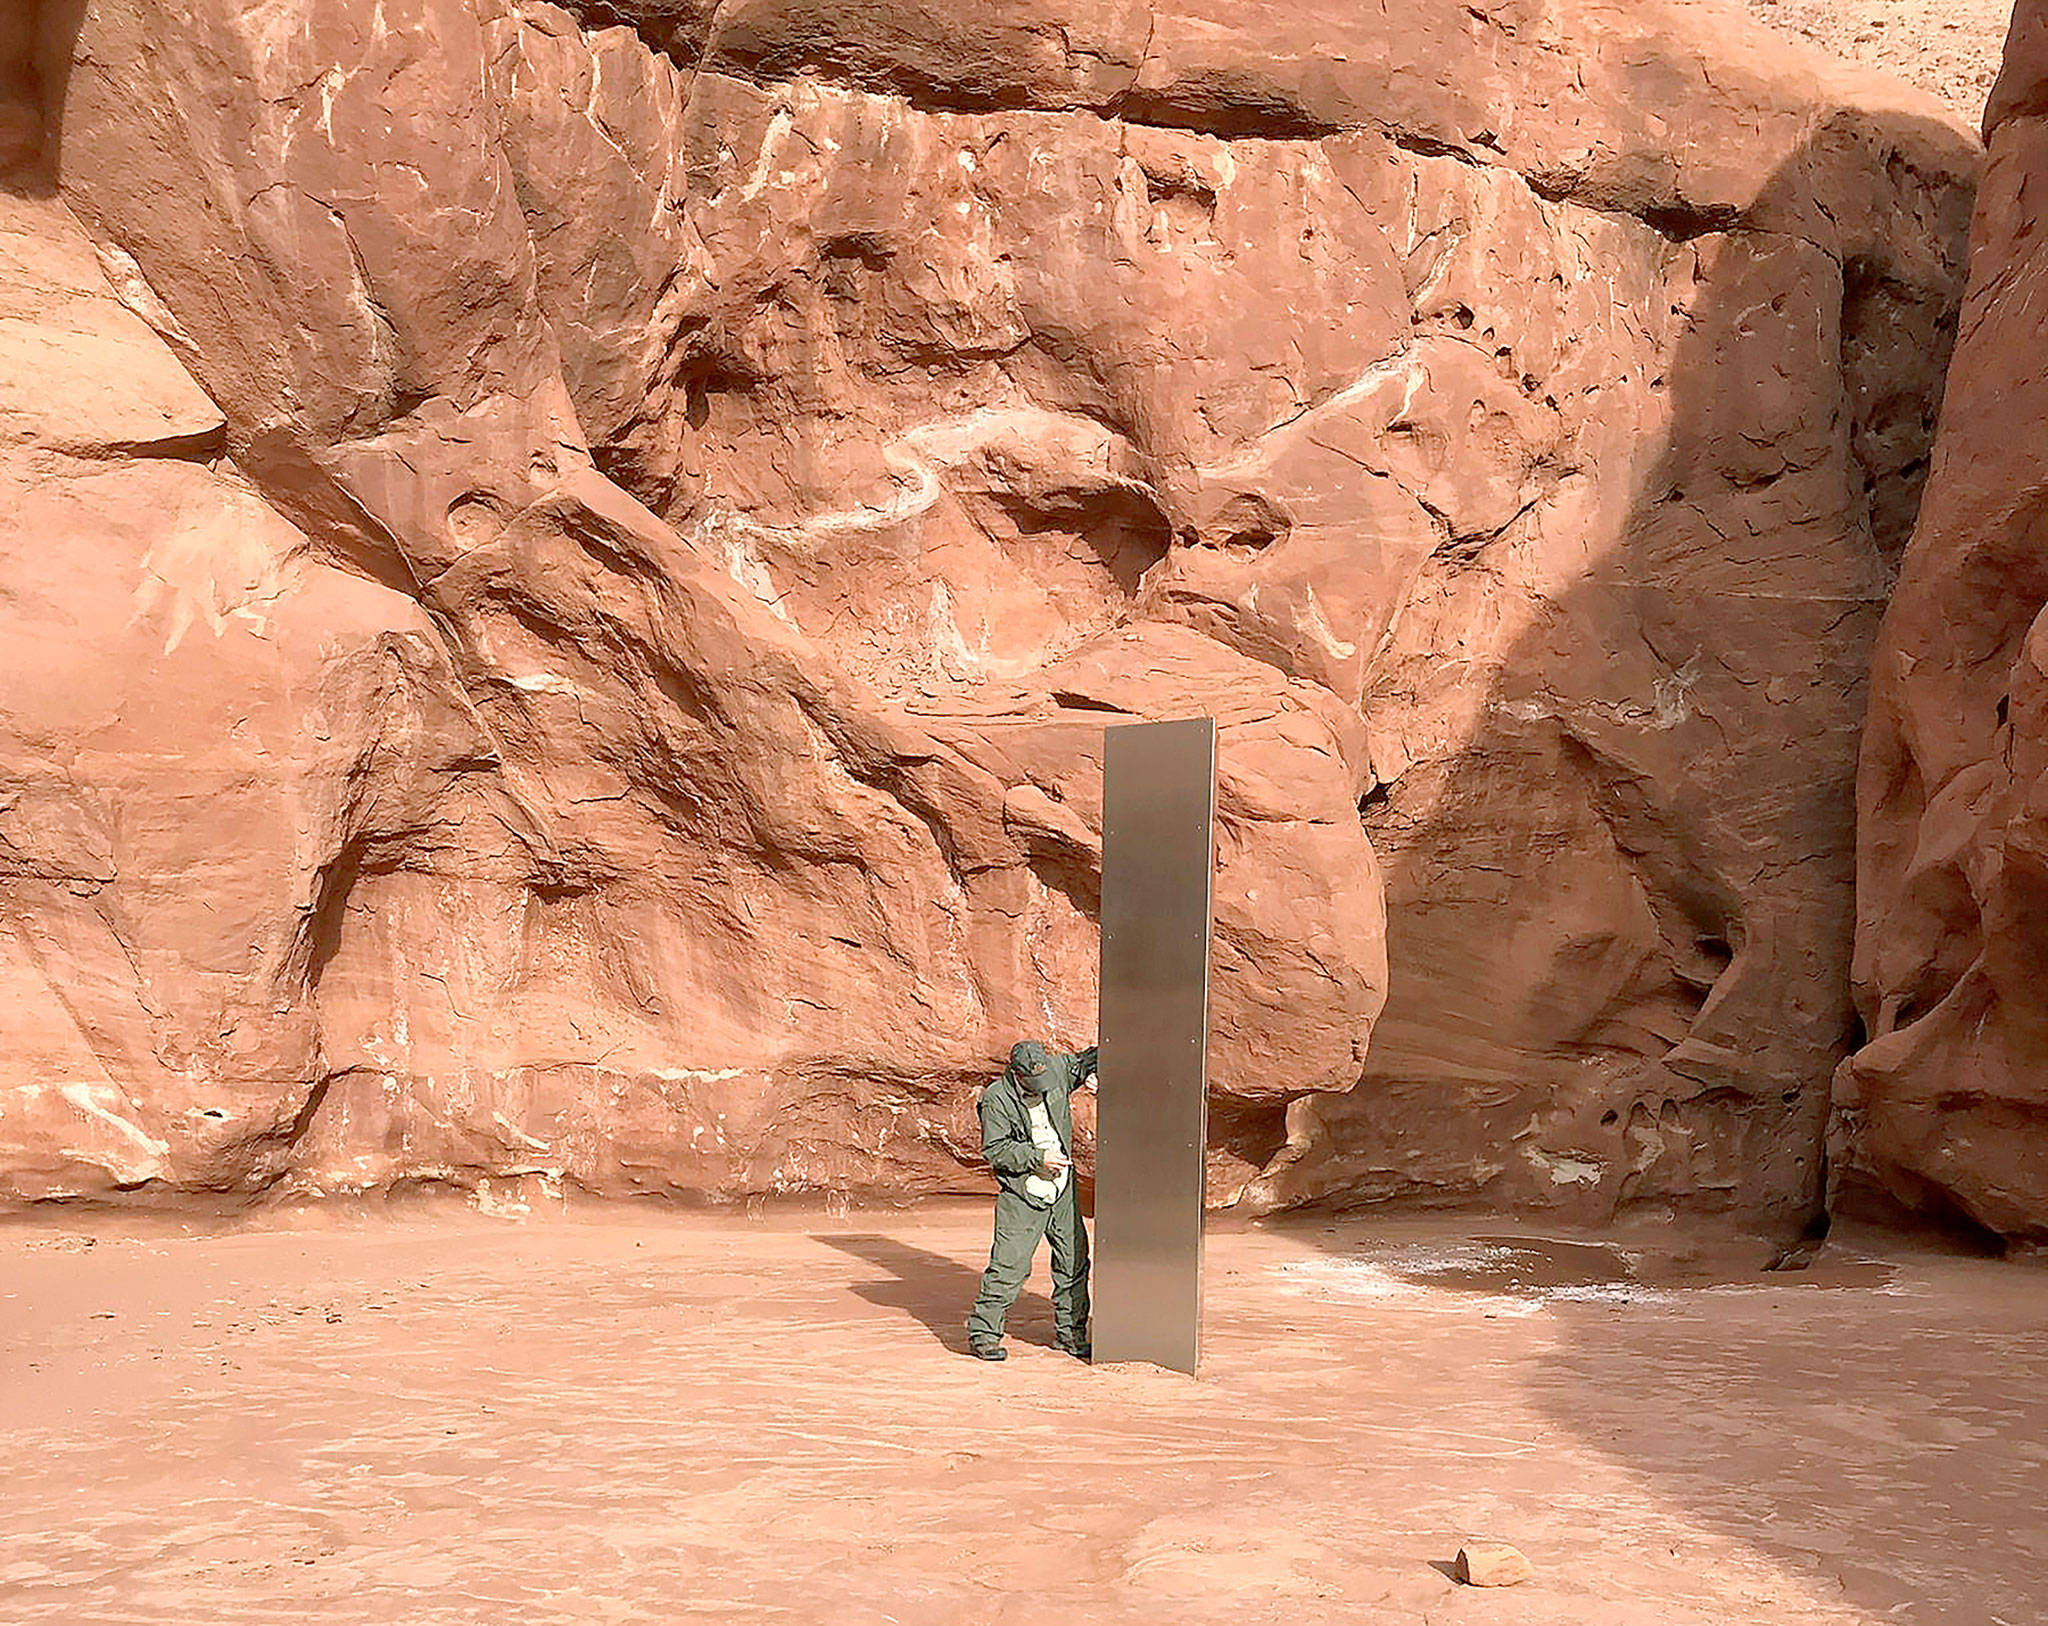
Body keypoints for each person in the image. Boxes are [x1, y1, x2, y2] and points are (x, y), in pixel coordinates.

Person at [966, 1038, 1099, 1362]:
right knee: (1008, 1266)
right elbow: (994, 1150)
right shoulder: (995, 1100)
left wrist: (1095, 1071)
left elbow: (1088, 1058)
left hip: (1063, 1189)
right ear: (1016, 1074)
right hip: (1023, 1191)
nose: (1041, 1087)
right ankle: (983, 1335)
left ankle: (1071, 1335)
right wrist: (1037, 1157)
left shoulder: (1054, 1070)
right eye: (1032, 1082)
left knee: (1074, 1263)